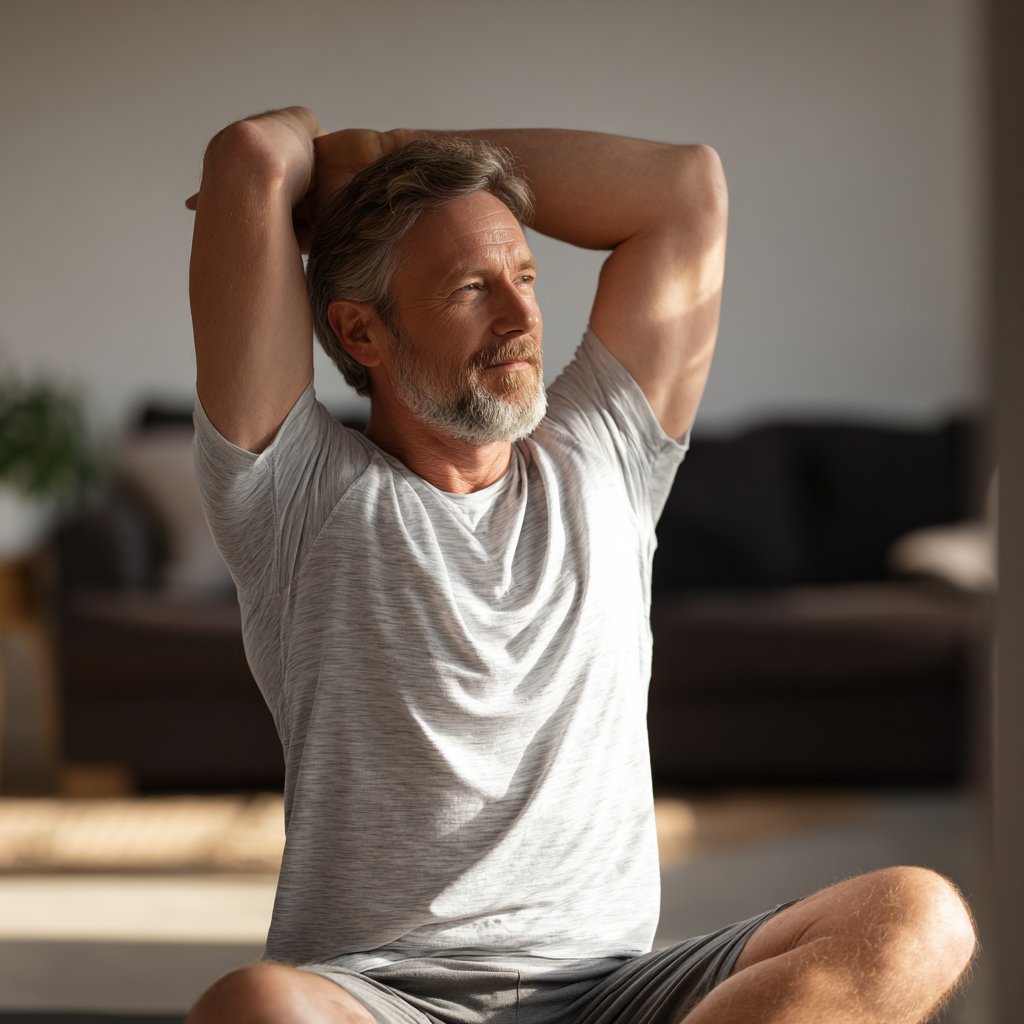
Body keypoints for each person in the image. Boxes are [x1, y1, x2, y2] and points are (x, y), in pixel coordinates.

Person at [184, 107, 976, 1024]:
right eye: (470, 288)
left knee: (919, 917)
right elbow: (252, 156)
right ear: (361, 333)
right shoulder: (295, 494)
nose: (521, 316)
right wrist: (330, 163)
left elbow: (685, 188)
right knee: (256, 1006)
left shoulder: (604, 453)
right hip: (385, 996)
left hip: (610, 994)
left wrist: (401, 152)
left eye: (525, 275)